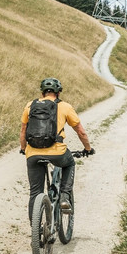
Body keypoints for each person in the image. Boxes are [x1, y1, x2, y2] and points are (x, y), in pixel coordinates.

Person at [19, 77, 93, 222]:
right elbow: (81, 132)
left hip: (33, 153)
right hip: (57, 153)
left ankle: (36, 229)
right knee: (70, 163)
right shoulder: (65, 106)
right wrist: (87, 148)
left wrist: (23, 148)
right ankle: (65, 196)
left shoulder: (30, 106)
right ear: (58, 93)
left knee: (35, 192)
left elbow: (23, 131)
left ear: (42, 93)